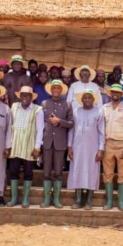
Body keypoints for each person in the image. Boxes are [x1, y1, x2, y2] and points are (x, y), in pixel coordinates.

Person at [6, 86, 44, 207]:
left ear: (31, 97)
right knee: (13, 172)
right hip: (15, 144)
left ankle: (25, 199)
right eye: (23, 95)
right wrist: (8, 144)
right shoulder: (14, 107)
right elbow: (9, 127)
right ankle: (14, 198)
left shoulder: (38, 110)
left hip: (29, 145)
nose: (25, 98)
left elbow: (40, 130)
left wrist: (37, 147)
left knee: (28, 172)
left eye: (27, 95)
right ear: (19, 96)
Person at [68, 89, 105, 210]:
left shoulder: (99, 112)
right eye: (85, 98)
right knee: (77, 171)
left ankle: (89, 200)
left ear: (93, 100)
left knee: (92, 171)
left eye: (90, 98)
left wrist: (100, 149)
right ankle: (78, 200)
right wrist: (70, 146)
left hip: (92, 148)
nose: (87, 100)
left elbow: (101, 132)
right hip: (77, 147)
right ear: (81, 99)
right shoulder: (76, 111)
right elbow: (72, 130)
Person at [40, 79, 74, 208]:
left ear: (61, 90)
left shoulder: (67, 104)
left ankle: (57, 200)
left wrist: (60, 121)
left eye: (58, 88)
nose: (56, 90)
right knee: (46, 172)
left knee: (58, 172)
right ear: (50, 89)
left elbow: (71, 123)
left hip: (60, 143)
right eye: (54, 88)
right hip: (47, 142)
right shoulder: (44, 103)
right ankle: (46, 199)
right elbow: (40, 122)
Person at [102, 84, 123, 210]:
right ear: (110, 94)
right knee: (107, 173)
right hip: (107, 143)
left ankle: (120, 202)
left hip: (122, 144)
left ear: (121, 94)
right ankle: (109, 201)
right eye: (113, 92)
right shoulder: (104, 108)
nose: (115, 94)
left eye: (118, 92)